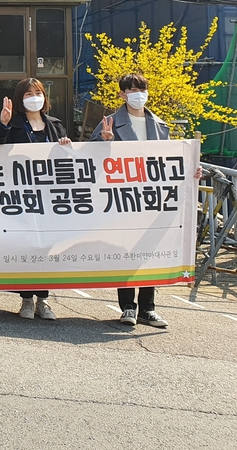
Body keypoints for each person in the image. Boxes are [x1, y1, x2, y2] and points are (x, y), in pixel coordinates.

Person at [90, 72, 176, 329]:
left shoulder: (160, 125)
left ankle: (148, 308)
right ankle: (128, 305)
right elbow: (90, 156)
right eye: (132, 90)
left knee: (149, 251)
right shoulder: (111, 122)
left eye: (141, 89)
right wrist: (104, 142)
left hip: (152, 197)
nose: (138, 94)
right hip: (122, 198)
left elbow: (172, 160)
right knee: (124, 251)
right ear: (122, 94)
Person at [0, 78, 72, 321]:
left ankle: (43, 300)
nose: (34, 97)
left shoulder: (55, 125)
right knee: (26, 246)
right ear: (20, 98)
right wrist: (2, 124)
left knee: (47, 249)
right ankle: (25, 298)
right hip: (21, 195)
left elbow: (67, 160)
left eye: (38, 92)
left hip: (49, 198)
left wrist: (66, 145)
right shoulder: (12, 124)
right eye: (28, 94)